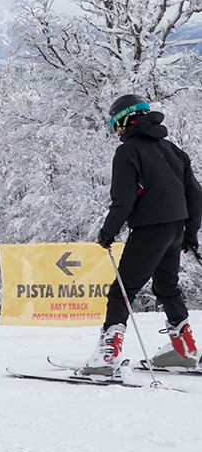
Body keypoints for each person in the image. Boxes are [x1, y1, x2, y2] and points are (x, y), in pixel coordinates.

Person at [84, 95, 202, 374]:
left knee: (122, 290)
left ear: (126, 120)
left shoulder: (128, 152)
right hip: (176, 229)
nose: (117, 132)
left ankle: (108, 354)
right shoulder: (172, 149)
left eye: (117, 125)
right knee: (167, 287)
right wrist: (190, 233)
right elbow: (196, 195)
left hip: (150, 229)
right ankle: (183, 348)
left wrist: (107, 233)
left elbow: (123, 200)